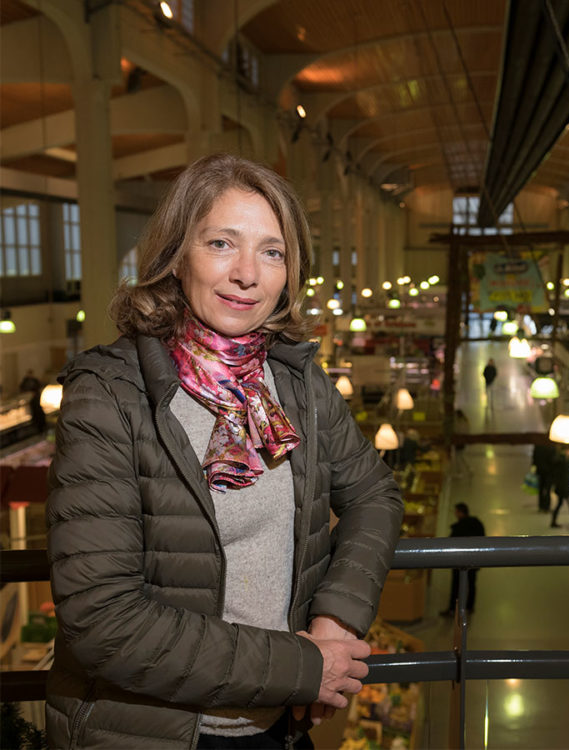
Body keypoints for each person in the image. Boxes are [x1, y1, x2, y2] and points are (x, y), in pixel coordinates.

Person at [45, 154, 404, 750]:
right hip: (155, 734)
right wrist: (305, 667)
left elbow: (374, 493)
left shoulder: (296, 383)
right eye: (220, 243)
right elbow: (103, 620)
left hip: (277, 728)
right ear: (176, 256)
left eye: (272, 251)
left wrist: (335, 622)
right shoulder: (109, 396)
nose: (248, 274)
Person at [440, 503, 485, 616]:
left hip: (458, 561)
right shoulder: (477, 523)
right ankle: (470, 607)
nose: (455, 514)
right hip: (474, 559)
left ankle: (452, 609)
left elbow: (451, 542)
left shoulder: (459, 527)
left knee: (455, 585)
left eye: (456, 512)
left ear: (460, 512)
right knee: (471, 584)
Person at [550, 447, 569, 529]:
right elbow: (568, 474)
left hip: (561, 487)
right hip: (565, 487)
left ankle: (553, 521)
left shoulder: (559, 460)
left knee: (560, 504)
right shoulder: (564, 462)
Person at [532, 440, 557, 512]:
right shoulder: (552, 447)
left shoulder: (538, 446)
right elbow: (554, 460)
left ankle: (541, 506)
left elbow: (534, 457)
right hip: (549, 472)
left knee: (541, 489)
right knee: (548, 489)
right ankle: (547, 506)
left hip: (540, 470)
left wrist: (535, 466)